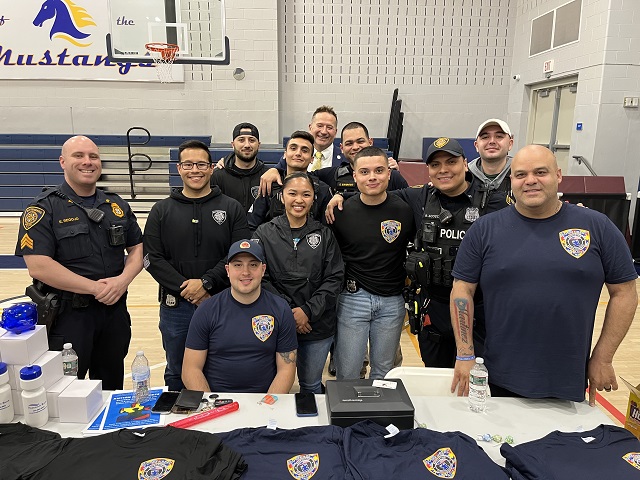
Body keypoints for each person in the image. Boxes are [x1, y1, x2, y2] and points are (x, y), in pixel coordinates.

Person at [450, 145, 638, 404]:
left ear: (558, 175)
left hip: (569, 375)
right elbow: (462, 290)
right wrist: (464, 354)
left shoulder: (597, 226)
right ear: (511, 180)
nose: (530, 181)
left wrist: (603, 358)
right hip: (498, 376)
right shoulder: (484, 229)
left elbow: (625, 293)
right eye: (521, 174)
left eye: (540, 172)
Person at [15, 135, 143, 390]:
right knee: (65, 389)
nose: (87, 162)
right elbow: (38, 265)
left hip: (113, 313)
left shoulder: (116, 205)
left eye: (93, 156)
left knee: (111, 386)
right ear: (62, 162)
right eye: (79, 156)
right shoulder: (44, 208)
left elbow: (137, 247)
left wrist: (122, 281)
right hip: (69, 317)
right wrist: (95, 288)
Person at [143, 139, 250, 391]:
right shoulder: (160, 210)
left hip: (222, 302)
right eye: (188, 164)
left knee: (224, 366)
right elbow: (151, 258)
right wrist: (188, 289)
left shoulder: (232, 208)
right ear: (179, 168)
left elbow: (238, 255)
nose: (195, 170)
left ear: (211, 168)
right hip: (176, 308)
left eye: (201, 164)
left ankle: (221, 413)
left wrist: (206, 283)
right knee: (177, 369)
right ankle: (179, 414)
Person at [252, 172, 344, 394]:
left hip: (317, 325)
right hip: (276, 324)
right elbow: (260, 278)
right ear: (282, 196)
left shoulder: (325, 235)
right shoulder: (264, 233)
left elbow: (334, 279)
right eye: (292, 193)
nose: (299, 200)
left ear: (314, 199)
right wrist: (290, 312)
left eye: (306, 194)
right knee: (272, 386)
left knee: (311, 385)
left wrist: (307, 311)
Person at [331, 146, 415, 380]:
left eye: (379, 170)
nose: (372, 177)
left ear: (389, 173)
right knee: (348, 373)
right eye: (364, 172)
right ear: (354, 175)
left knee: (384, 374)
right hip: (352, 299)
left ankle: (379, 407)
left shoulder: (405, 210)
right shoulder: (339, 211)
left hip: (392, 302)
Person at [182, 240, 298, 393]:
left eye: (253, 265)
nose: (245, 272)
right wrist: (210, 404)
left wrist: (267, 404)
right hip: (216, 400)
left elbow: (286, 369)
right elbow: (191, 369)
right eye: (238, 265)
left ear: (263, 270)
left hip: (264, 401)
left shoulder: (281, 309)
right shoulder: (206, 310)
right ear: (227, 270)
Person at [247, 131, 332, 230]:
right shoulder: (269, 185)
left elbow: (327, 230)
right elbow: (251, 226)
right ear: (285, 154)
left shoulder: (322, 190)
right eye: (293, 148)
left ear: (312, 159)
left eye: (304, 150)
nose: (298, 153)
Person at [210, 123, 270, 212]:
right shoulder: (217, 176)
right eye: (241, 140)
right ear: (233, 144)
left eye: (252, 140)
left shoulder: (268, 176)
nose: (247, 145)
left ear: (258, 145)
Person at [308, 105, 344, 170]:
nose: (324, 132)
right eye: (320, 126)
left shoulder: (345, 159)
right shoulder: (298, 156)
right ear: (310, 128)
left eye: (329, 127)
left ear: (335, 132)